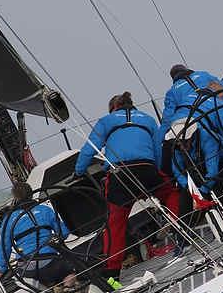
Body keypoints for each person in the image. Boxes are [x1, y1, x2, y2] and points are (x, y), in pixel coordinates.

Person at [74, 92, 180, 280]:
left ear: (113, 108)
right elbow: (157, 150)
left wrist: (79, 172)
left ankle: (112, 273)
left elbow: (90, 149)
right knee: (171, 193)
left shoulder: (106, 120)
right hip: (147, 169)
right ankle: (177, 227)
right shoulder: (147, 119)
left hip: (120, 175)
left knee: (115, 223)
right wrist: (153, 171)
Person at [0, 182, 76, 288]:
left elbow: (4, 248)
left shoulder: (7, 220)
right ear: (32, 194)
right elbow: (64, 233)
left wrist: (1, 268)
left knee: (35, 279)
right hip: (50, 263)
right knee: (71, 272)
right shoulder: (45, 210)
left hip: (26, 269)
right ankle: (67, 288)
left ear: (15, 198)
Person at [171, 81, 223, 203]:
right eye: (179, 142)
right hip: (198, 157)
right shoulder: (217, 102)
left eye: (184, 142)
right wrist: (191, 190)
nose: (181, 145)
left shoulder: (207, 137)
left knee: (216, 181)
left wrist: (203, 192)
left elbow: (213, 170)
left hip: (208, 149)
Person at [160, 64, 221, 142]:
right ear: (186, 69)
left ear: (173, 77)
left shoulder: (172, 91)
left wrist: (161, 140)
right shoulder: (203, 75)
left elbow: (167, 119)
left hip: (193, 125)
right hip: (216, 112)